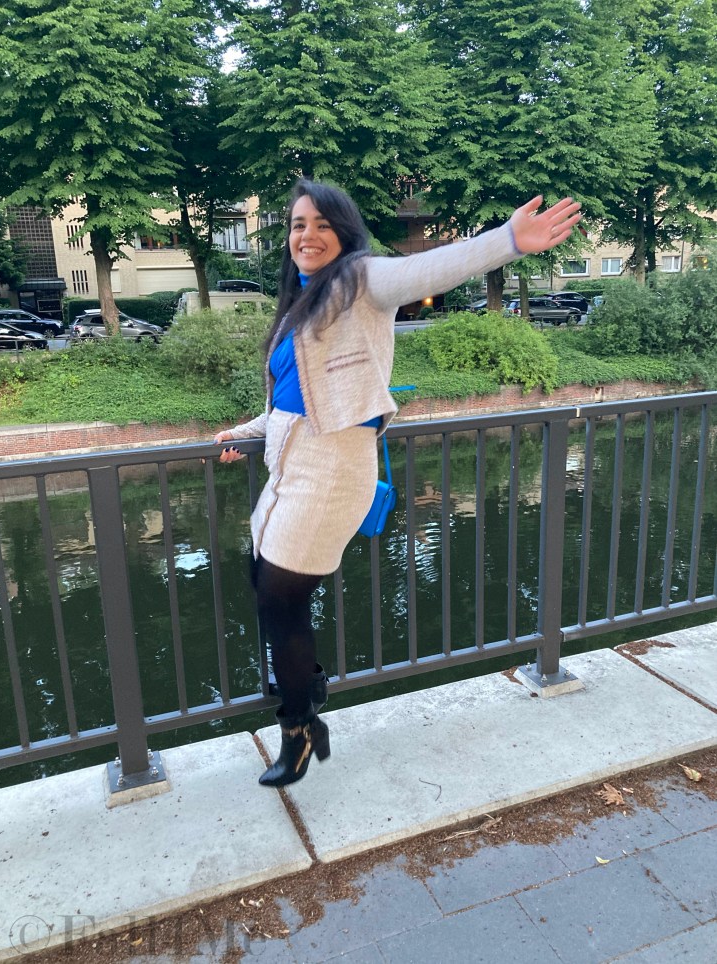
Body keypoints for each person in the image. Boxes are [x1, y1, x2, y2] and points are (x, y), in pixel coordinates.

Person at [214, 178, 581, 788]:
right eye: (297, 224)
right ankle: (307, 682)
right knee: (264, 578)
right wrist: (245, 431)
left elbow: (428, 270)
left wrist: (508, 240)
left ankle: (300, 727)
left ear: (344, 232)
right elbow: (293, 395)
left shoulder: (361, 280)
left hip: (332, 468)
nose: (306, 235)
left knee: (280, 594)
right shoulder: (302, 302)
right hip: (289, 459)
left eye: (321, 224)